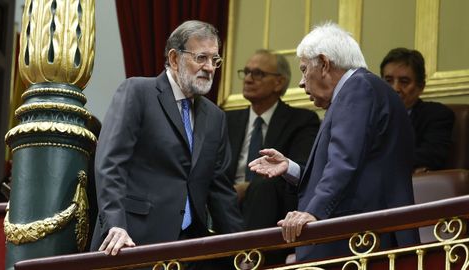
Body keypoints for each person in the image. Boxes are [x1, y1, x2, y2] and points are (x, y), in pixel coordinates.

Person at [249, 22, 420, 262]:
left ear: (325, 63)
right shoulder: (363, 89)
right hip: (361, 237)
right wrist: (292, 168)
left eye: (304, 69)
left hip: (358, 240)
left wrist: (312, 213)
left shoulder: (357, 88)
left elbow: (344, 162)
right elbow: (356, 164)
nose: (300, 82)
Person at [91, 20, 244, 259]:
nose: (210, 67)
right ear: (174, 59)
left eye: (215, 60)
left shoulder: (215, 118)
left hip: (189, 251)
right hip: (131, 241)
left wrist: (242, 248)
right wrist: (115, 224)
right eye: (201, 58)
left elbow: (221, 192)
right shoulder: (138, 92)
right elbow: (110, 164)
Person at [226, 49, 320, 264]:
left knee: (263, 188)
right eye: (246, 72)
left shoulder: (302, 120)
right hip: (228, 200)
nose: (248, 79)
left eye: (257, 74)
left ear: (279, 83)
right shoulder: (226, 120)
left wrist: (248, 189)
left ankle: (251, 260)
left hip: (274, 203)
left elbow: (302, 168)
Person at [380, 47, 455, 172]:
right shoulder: (368, 117)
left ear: (421, 87)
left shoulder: (437, 115)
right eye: (388, 81)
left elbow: (431, 155)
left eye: (404, 81)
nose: (395, 88)